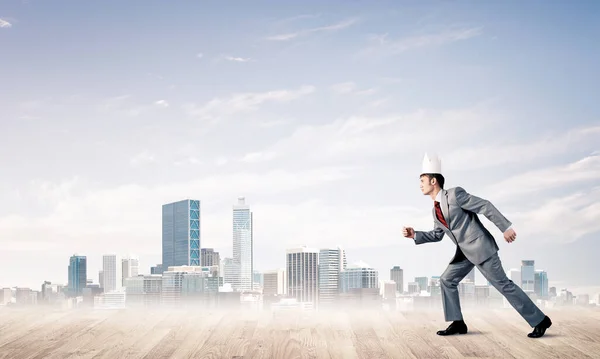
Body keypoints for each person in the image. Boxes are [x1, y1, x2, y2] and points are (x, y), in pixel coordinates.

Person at [402, 153, 552, 338]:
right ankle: (458, 323)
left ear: (434, 181)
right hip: (464, 253)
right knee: (446, 280)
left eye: (422, 180)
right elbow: (437, 234)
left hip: (481, 248)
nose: (420, 184)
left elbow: (485, 206)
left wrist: (505, 227)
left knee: (503, 285)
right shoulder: (435, 211)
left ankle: (540, 320)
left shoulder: (455, 194)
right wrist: (415, 235)